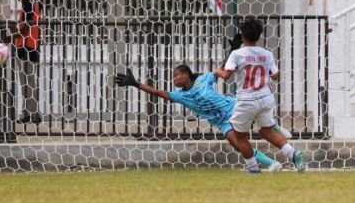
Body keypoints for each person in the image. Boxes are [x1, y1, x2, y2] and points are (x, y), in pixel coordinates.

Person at [115, 63, 286, 172]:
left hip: (233, 108)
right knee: (237, 144)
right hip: (222, 122)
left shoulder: (203, 80)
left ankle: (275, 128)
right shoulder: (180, 95)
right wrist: (136, 84)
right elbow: (158, 92)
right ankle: (272, 164)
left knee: (261, 122)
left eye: (177, 75)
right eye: (173, 76)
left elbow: (221, 70)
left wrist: (233, 49)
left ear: (186, 74)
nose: (174, 79)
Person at [214, 16, 305, 173]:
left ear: (242, 36)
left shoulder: (237, 54)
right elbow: (276, 76)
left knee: (239, 136)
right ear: (259, 35)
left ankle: (253, 169)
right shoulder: (266, 54)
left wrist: (217, 71)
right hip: (265, 98)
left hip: (247, 99)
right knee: (266, 131)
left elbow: (226, 76)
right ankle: (293, 154)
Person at [13, 0, 42, 125]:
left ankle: (32, 113)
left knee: (27, 82)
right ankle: (28, 112)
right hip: (28, 46)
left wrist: (12, 34)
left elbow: (27, 26)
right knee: (27, 82)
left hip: (27, 47)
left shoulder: (29, 5)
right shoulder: (29, 5)